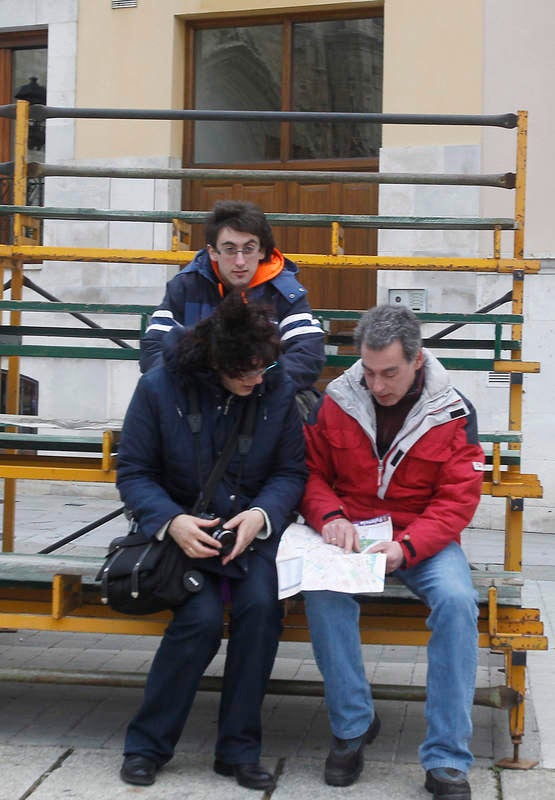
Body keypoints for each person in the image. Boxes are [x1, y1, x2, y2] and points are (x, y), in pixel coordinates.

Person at [117, 292, 307, 790]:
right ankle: (147, 746)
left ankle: (239, 750)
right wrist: (172, 522)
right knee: (198, 622)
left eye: (264, 368)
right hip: (183, 533)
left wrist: (261, 515)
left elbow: (291, 470)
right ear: (216, 363)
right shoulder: (159, 387)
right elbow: (134, 472)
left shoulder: (275, 386)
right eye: (247, 372)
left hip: (249, 533)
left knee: (262, 612)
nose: (259, 380)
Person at [300, 304, 485, 800]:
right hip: (352, 530)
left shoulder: (454, 410)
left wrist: (407, 548)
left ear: (417, 360)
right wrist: (329, 517)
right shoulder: (337, 399)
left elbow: (457, 500)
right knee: (321, 591)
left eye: (390, 373)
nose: (377, 385)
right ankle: (353, 727)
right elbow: (311, 473)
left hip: (423, 538)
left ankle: (447, 759)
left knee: (457, 603)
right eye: (369, 371)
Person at [140, 199, 326, 414]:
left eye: (248, 249)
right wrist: (201, 383)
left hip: (262, 404)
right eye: (230, 249)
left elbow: (307, 355)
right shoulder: (186, 286)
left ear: (262, 251)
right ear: (213, 252)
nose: (240, 261)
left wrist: (256, 381)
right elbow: (153, 350)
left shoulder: (285, 292)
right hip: (197, 404)